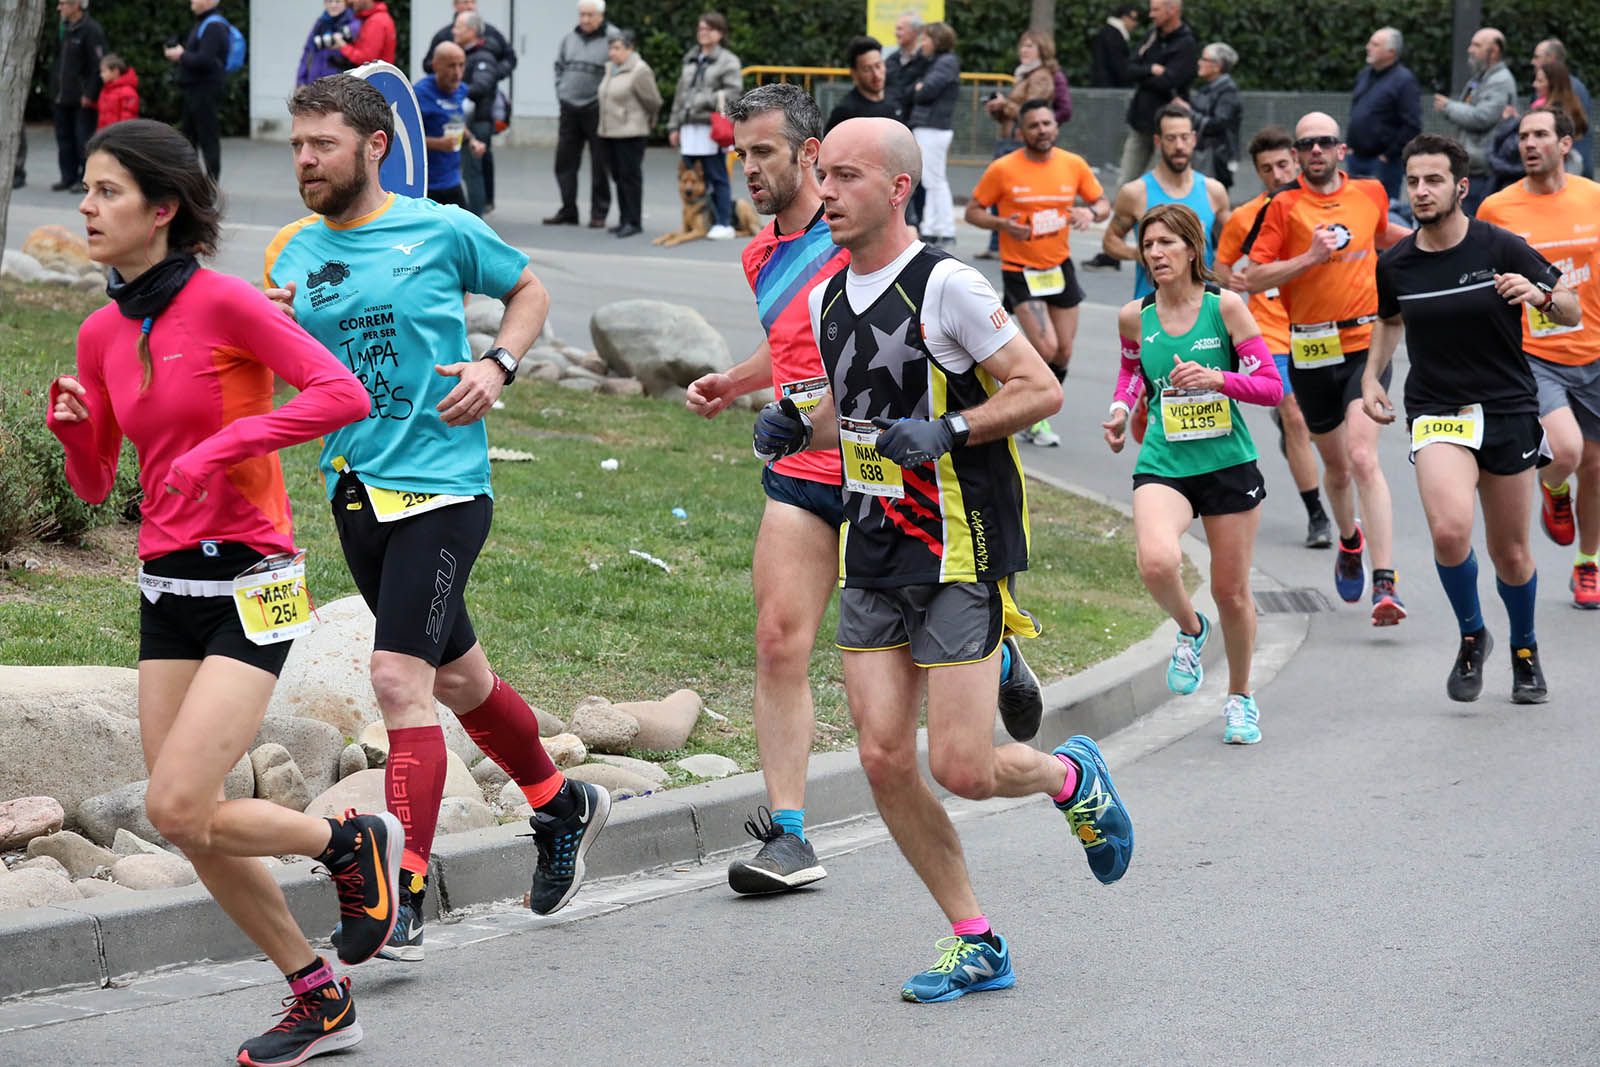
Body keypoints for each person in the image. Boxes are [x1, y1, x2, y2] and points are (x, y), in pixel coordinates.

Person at [752, 114, 1132, 1003]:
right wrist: (792, 423)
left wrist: (952, 426)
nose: (828, 191)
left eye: (846, 176)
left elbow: (1039, 388)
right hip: (873, 542)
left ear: (897, 189)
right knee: (884, 757)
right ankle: (976, 938)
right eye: (824, 173)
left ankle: (1071, 775)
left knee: (963, 765)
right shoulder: (823, 296)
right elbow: (845, 413)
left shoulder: (948, 285)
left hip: (960, 547)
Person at [47, 118, 392, 1067]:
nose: (86, 205)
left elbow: (339, 394)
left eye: (107, 191)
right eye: (86, 187)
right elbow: (96, 483)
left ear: (162, 210)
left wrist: (229, 443)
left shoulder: (227, 303)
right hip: (166, 585)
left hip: (251, 579)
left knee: (180, 801)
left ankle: (343, 841)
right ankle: (319, 996)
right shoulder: (100, 329)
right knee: (184, 818)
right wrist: (78, 434)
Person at [263, 76, 611, 961]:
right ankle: (559, 802)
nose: (304, 160)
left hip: (445, 488)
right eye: (297, 145)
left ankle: (405, 886)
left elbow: (528, 289)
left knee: (394, 679)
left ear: (373, 147)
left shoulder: (443, 228)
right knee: (457, 681)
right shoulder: (294, 254)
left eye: (322, 144)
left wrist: (498, 363)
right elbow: (282, 357)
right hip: (355, 488)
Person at [1363, 133, 1572, 702]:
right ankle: (1472, 633)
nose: (1421, 191)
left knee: (1511, 553)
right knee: (1451, 531)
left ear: (1460, 187)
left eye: (1433, 180)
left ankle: (1524, 649)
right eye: (1413, 181)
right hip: (1437, 410)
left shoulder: (1500, 246)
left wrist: (1539, 295)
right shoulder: (1397, 262)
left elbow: (1573, 307)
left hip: (1506, 407)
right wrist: (1370, 376)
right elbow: (1388, 320)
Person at [1104, 202, 1283, 742]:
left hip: (1227, 464)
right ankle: (1189, 627)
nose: (1155, 254)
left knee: (1231, 592)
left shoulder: (1225, 308)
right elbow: (1131, 371)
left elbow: (1271, 387)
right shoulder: (1136, 315)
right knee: (1157, 561)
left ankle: (1240, 697)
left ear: (1191, 249)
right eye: (1148, 245)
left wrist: (1218, 379)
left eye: (1166, 243)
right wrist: (1118, 410)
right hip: (1164, 460)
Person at [1241, 112, 1411, 620]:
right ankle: (1348, 539)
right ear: (1297, 155)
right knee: (1336, 468)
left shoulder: (1371, 193)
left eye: (1325, 142)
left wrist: (1448, 243)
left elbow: (1383, 236)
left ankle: (1386, 583)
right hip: (1310, 352)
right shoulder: (1283, 205)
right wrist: (1309, 258)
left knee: (1362, 457)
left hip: (1366, 343)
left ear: (1341, 150)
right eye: (1306, 144)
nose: (1316, 151)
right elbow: (1252, 276)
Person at [1478, 107, 1600, 609]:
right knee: (1567, 452)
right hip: (1534, 354)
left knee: (1594, 466)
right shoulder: (1497, 209)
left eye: (1540, 135)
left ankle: (1588, 563)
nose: (1529, 144)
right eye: (1523, 136)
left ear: (1565, 144)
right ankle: (1554, 488)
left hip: (1594, 348)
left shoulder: (1593, 197)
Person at [965, 98, 1110, 448]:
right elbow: (973, 212)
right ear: (1021, 131)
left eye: (1047, 123)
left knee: (1063, 351)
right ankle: (1032, 415)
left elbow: (1102, 204)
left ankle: (1031, 407)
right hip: (1020, 269)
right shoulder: (1003, 169)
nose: (1042, 130)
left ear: (1056, 127)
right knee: (1044, 348)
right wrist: (1002, 224)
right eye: (1034, 125)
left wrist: (1091, 215)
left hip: (1059, 266)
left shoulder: (1073, 165)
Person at [1214, 127, 1333, 549]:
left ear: (1298, 161)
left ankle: (1301, 442)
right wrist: (1233, 286)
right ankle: (1318, 514)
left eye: (1283, 164)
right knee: (1294, 411)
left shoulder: (1320, 205)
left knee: (1323, 424)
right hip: (1268, 327)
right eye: (1267, 169)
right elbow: (1221, 268)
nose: (1277, 173)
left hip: (1321, 325)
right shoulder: (1245, 218)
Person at [1103, 105, 1231, 301]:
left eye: (1184, 137)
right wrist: (1139, 254)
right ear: (1158, 141)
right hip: (1151, 308)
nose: (1179, 145)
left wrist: (1226, 275)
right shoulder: (1135, 193)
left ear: (1194, 139)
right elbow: (1110, 240)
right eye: (1171, 138)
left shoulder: (1213, 191)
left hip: (1203, 310)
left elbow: (1232, 241)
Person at [667, 12, 742, 240]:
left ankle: (723, 221)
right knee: (690, 176)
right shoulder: (691, 58)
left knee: (717, 175)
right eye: (701, 28)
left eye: (708, 29)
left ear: (720, 33)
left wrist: (703, 100)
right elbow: (680, 95)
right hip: (689, 128)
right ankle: (697, 221)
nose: (703, 33)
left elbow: (733, 91)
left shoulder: (728, 60)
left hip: (711, 128)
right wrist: (673, 125)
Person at [548, 0, 620, 228]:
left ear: (601, 15)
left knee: (600, 162)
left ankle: (598, 213)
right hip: (569, 106)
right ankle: (568, 209)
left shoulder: (612, 37)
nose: (585, 20)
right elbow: (559, 66)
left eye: (590, 15)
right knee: (565, 161)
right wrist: (561, 90)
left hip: (596, 107)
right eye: (582, 15)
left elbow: (619, 68)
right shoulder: (569, 39)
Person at [1433, 27, 1516, 217]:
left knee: (1474, 222)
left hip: (1483, 170)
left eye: (1477, 45)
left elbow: (1483, 117)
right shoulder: (1481, 77)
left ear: (1494, 51)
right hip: (1472, 168)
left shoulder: (1500, 80)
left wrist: (1448, 107)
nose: (1470, 49)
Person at [1117, 0, 1197, 186]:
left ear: (1173, 10)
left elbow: (1170, 81)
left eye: (1156, 10)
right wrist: (1151, 69)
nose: (1151, 14)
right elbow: (1128, 69)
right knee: (1126, 181)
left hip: (1169, 127)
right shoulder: (1151, 36)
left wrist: (1143, 75)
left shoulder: (1186, 43)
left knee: (1161, 183)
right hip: (1141, 121)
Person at [1347, 27, 1422, 210]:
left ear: (1391, 52)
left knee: (1380, 212)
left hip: (1382, 164)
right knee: (1354, 209)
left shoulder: (1404, 81)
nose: (1368, 47)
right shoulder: (1365, 75)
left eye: (1375, 44)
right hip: (1356, 159)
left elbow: (1412, 124)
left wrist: (1388, 155)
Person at [597, 30, 660, 238]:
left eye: (617, 48)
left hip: (631, 132)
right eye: (610, 48)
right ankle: (624, 219)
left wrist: (642, 119)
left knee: (630, 177)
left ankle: (634, 221)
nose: (612, 53)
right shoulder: (610, 69)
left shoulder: (640, 70)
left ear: (629, 48)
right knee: (618, 177)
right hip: (610, 132)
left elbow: (653, 101)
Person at [415, 41, 486, 209]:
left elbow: (456, 121)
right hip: (426, 183)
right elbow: (405, 140)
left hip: (452, 179)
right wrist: (438, 144)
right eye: (451, 66)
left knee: (464, 230)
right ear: (436, 65)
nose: (458, 73)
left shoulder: (461, 89)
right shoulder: (419, 94)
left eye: (462, 65)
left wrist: (472, 140)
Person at [907, 22, 960, 246]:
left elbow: (926, 91)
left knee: (933, 180)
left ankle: (942, 227)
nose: (922, 44)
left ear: (937, 41)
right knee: (933, 179)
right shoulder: (938, 62)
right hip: (932, 126)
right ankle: (937, 227)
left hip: (933, 127)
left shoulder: (945, 63)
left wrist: (920, 87)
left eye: (926, 39)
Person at [164, 0, 229, 180]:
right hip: (195, 90)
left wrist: (181, 55)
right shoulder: (204, 23)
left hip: (204, 90)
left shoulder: (213, 26)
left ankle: (211, 182)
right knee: (188, 137)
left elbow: (205, 60)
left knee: (207, 136)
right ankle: (189, 181)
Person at [50, 0, 107, 191]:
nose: (59, 8)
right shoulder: (64, 28)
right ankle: (68, 176)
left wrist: (90, 93)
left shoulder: (91, 30)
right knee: (63, 137)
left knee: (82, 138)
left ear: (76, 5)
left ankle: (84, 178)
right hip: (61, 95)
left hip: (81, 98)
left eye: (63, 3)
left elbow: (97, 65)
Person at [455, 12, 506, 217]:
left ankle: (476, 219)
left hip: (477, 121)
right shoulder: (466, 53)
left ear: (472, 31)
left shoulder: (483, 56)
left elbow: (482, 85)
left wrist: (454, 90)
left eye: (458, 27)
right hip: (470, 120)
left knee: (472, 171)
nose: (454, 31)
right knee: (469, 170)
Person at [1179, 42, 1240, 190]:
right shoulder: (1209, 88)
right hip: (1203, 158)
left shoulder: (1228, 91)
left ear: (1216, 66)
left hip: (1215, 160)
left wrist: (1188, 112)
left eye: (1204, 59)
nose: (1199, 62)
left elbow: (1217, 124)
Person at [1533, 38, 1594, 179]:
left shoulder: (1570, 91)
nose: (1533, 62)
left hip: (1569, 169)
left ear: (1551, 58)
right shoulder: (1567, 89)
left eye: (1537, 57)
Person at [826, 36, 901, 133]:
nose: (876, 75)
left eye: (878, 66)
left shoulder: (896, 97)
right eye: (867, 69)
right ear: (854, 73)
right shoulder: (846, 111)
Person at [423, 0, 513, 70]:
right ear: (455, 5)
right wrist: (447, 71)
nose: (470, 6)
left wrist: (490, 73)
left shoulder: (491, 32)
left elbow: (510, 58)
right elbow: (428, 64)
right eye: (466, 2)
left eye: (473, 2)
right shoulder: (443, 36)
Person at [298, 0, 362, 87]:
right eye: (330, 1)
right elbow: (307, 52)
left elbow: (361, 56)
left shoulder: (354, 24)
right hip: (315, 82)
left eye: (338, 1)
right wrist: (300, 80)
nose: (333, 5)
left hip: (340, 84)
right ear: (324, 3)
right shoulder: (320, 24)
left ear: (346, 3)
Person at [1091, 4, 1141, 89]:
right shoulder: (1115, 36)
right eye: (1133, 19)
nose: (1135, 24)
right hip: (1111, 89)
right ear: (1124, 18)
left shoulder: (1106, 32)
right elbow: (1119, 68)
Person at [334, 0, 396, 68]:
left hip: (373, 75)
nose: (349, 2)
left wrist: (343, 46)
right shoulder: (378, 17)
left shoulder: (375, 21)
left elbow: (367, 60)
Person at [94, 54, 139, 130]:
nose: (101, 75)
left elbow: (128, 119)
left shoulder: (127, 92)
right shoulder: (105, 90)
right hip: (104, 136)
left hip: (118, 137)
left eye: (104, 71)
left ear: (115, 71)